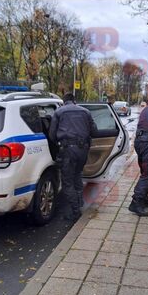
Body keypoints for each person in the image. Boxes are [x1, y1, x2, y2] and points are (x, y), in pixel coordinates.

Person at [49, 93, 98, 222]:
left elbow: (52, 135)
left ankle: (75, 211)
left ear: (64, 102)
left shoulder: (59, 112)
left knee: (67, 181)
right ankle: (80, 202)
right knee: (77, 175)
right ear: (74, 101)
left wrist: (57, 146)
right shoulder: (86, 112)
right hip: (83, 150)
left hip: (68, 150)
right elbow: (94, 131)